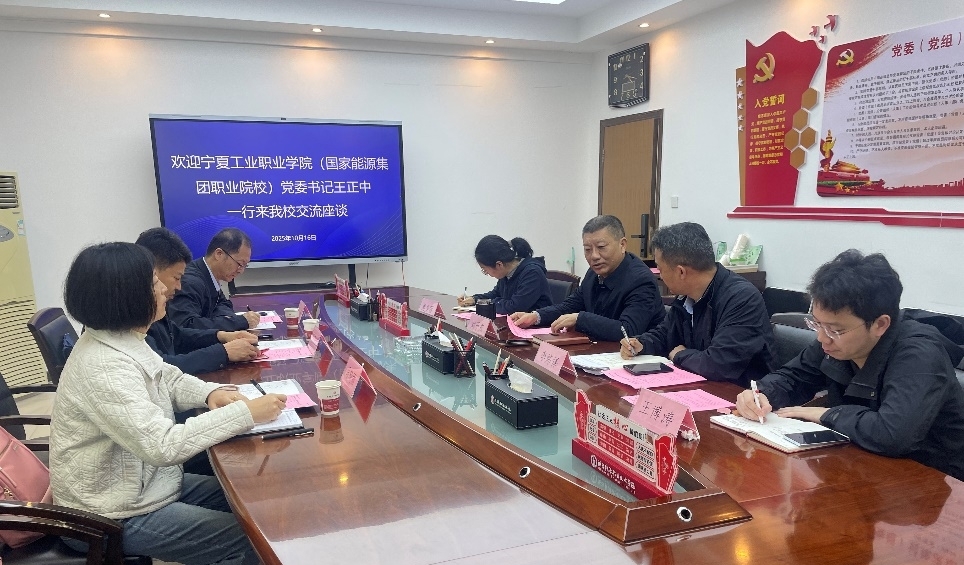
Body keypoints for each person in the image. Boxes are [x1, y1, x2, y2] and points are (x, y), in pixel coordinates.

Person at [50, 242, 287, 564]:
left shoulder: (120, 337)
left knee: (253, 499)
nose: (164, 289)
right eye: (153, 284)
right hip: (109, 513)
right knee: (250, 542)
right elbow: (162, 445)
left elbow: (168, 377)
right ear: (126, 296)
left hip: (143, 485)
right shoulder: (104, 365)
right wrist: (244, 413)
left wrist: (209, 393)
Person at [735, 250, 964, 480]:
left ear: (880, 324)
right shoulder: (833, 342)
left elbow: (893, 434)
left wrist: (828, 415)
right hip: (857, 463)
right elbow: (793, 377)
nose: (822, 338)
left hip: (928, 480)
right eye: (817, 324)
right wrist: (761, 394)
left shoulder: (919, 354)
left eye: (835, 330)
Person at [619, 222, 775, 387]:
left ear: (681, 272)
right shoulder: (687, 296)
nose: (660, 275)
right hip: (698, 384)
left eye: (660, 268)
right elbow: (666, 334)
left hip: (740, 393)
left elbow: (718, 364)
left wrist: (680, 355)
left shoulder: (742, 299)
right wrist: (641, 343)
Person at [510, 215, 664, 341]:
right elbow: (569, 306)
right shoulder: (593, 273)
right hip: (598, 350)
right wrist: (536, 316)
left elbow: (628, 330)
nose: (594, 256)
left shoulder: (641, 280)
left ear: (622, 245)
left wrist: (581, 319)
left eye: (601, 247)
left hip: (637, 359)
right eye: (588, 249)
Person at [137, 227, 260, 374]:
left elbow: (176, 335)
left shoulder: (154, 306)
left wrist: (221, 336)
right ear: (151, 272)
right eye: (177, 278)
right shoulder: (135, 315)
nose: (179, 287)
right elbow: (162, 367)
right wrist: (224, 352)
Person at [167, 228, 261, 331]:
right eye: (240, 264)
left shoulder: (209, 274)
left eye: (245, 265)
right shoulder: (191, 282)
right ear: (219, 254)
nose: (241, 271)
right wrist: (238, 322)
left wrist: (229, 321)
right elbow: (186, 325)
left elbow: (222, 304)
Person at [457, 235, 552, 315]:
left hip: (536, 328)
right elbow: (495, 294)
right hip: (514, 324)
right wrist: (475, 299)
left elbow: (515, 307)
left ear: (499, 264)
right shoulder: (506, 273)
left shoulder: (532, 273)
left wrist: (485, 304)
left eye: (485, 270)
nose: (487, 274)